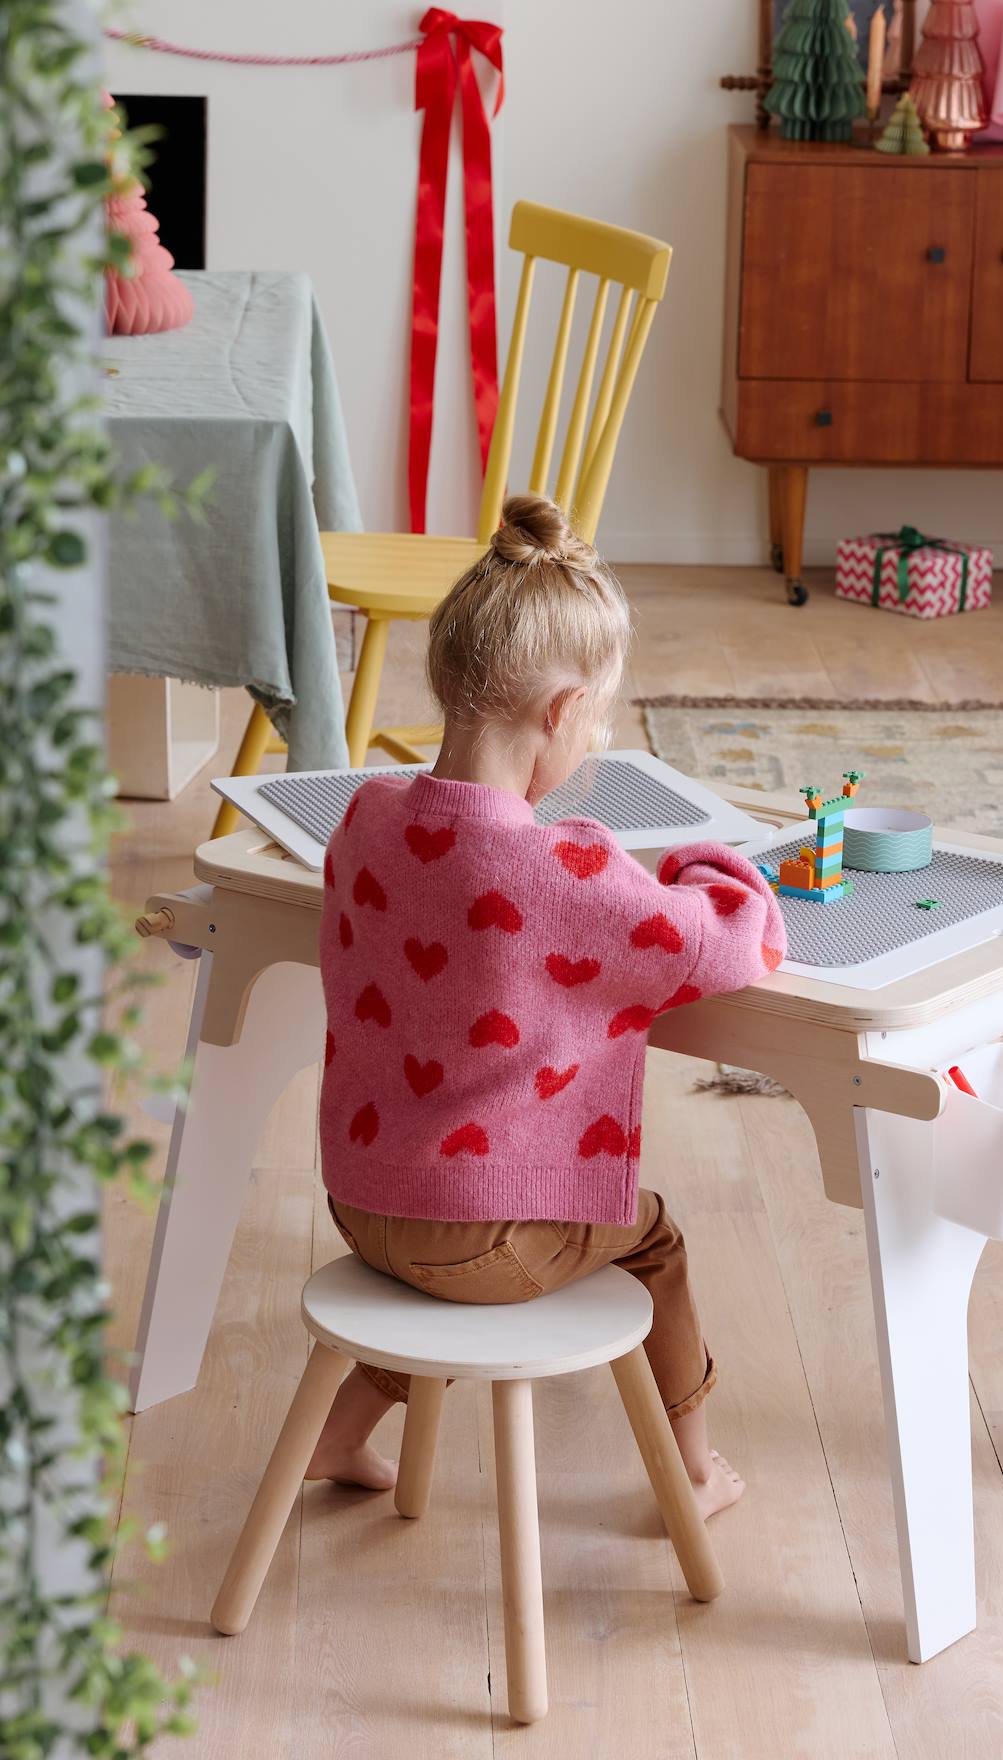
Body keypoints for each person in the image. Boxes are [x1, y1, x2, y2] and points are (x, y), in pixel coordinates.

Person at [307, 495, 785, 1519]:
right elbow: (725, 944)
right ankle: (694, 1470)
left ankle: (338, 1434)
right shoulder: (564, 866)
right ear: (563, 713)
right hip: (475, 1239)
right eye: (600, 718)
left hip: (359, 1199)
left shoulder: (368, 813)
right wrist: (712, 862)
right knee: (649, 1238)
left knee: (449, 1233)